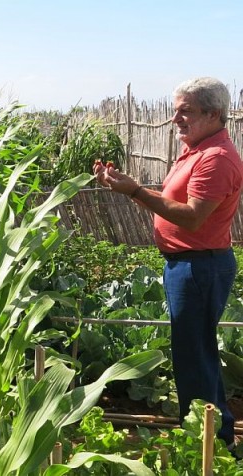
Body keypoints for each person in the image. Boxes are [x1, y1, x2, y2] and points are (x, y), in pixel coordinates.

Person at [95, 77, 242, 447]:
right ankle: (205, 437)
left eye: (185, 111)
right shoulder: (195, 150)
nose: (175, 118)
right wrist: (129, 188)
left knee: (195, 357)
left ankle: (209, 444)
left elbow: (193, 217)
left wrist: (136, 191)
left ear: (213, 113)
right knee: (193, 353)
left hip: (200, 266)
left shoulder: (217, 158)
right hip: (188, 265)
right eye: (175, 110)